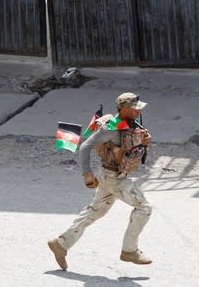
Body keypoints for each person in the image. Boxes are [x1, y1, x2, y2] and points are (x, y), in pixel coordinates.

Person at [48, 92, 153, 270]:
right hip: (114, 179)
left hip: (111, 176)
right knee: (144, 209)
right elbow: (85, 146)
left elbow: (130, 147)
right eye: (135, 109)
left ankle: (61, 243)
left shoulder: (130, 124)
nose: (138, 112)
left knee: (94, 212)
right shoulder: (111, 128)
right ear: (124, 109)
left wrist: (144, 143)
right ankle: (129, 250)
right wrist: (87, 173)